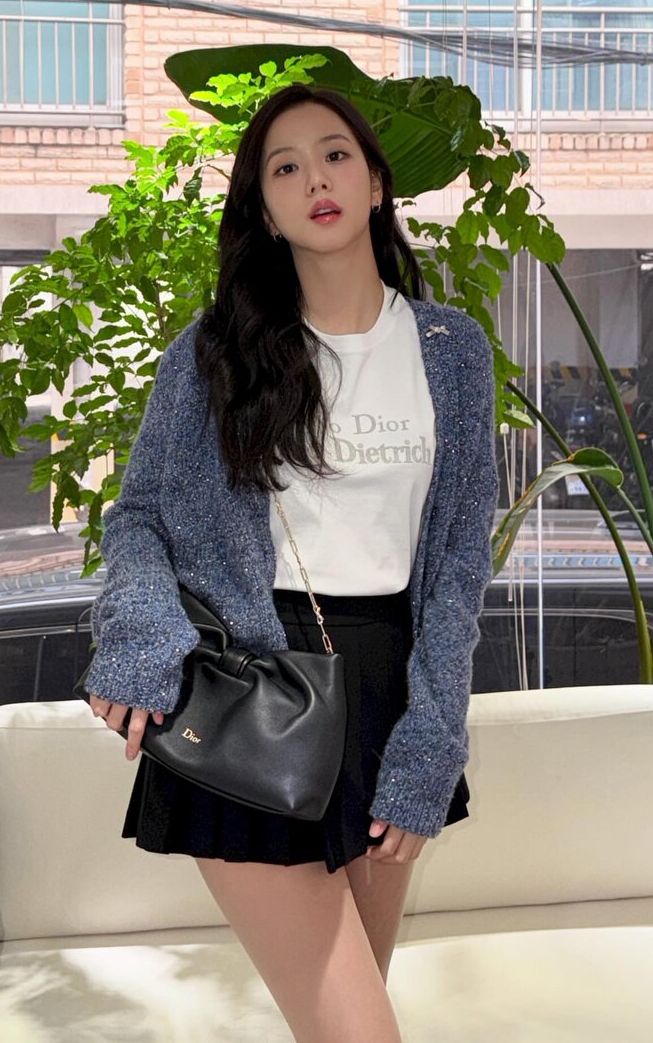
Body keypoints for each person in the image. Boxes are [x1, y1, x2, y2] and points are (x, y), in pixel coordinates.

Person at [83, 81, 498, 1043]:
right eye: (285, 167)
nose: (316, 179)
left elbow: (458, 561)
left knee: (346, 1019)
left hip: (393, 695)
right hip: (256, 695)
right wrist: (141, 638)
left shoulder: (452, 350)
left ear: (377, 183)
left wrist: (435, 737)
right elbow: (139, 515)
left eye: (335, 154)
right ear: (265, 211)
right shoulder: (215, 353)